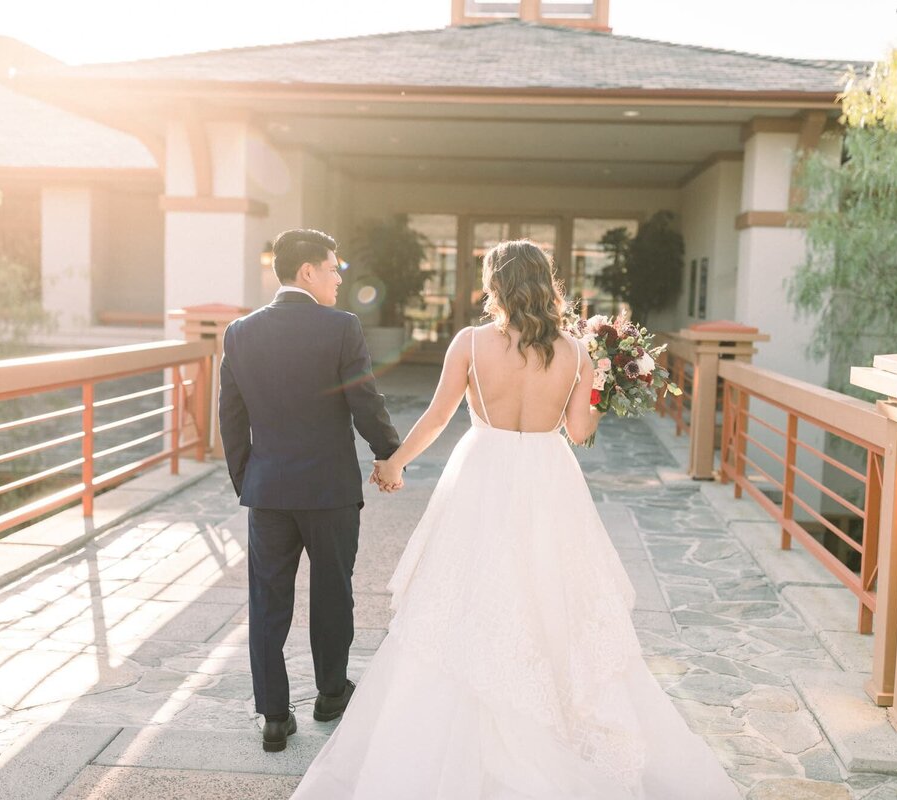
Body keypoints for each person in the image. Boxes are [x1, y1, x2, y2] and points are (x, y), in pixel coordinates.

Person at [291, 240, 741, 798]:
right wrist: (602, 380)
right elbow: (578, 433)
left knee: (469, 599)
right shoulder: (576, 351)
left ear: (496, 284)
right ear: (545, 283)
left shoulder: (471, 343)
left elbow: (437, 416)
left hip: (483, 473)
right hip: (549, 478)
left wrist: (394, 464)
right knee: (552, 596)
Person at [218, 228, 401, 753]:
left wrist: (248, 480)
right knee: (332, 594)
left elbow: (230, 419)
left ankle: (274, 715)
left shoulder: (240, 332)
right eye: (333, 267)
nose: (339, 277)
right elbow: (365, 402)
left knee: (267, 601)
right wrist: (389, 455)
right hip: (329, 491)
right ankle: (330, 694)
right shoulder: (341, 328)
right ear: (307, 273)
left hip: (269, 491)